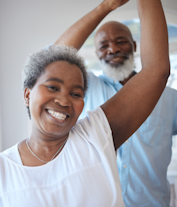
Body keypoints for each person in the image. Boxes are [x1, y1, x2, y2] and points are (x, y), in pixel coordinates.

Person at [0, 0, 170, 206]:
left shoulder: (95, 136)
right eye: (53, 87)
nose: (64, 100)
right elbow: (51, 58)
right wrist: (105, 6)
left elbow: (156, 71)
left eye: (76, 93)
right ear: (27, 95)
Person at [55, 0, 177, 206]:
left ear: (134, 45)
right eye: (103, 45)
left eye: (120, 41)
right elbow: (53, 59)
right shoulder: (86, 87)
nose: (112, 49)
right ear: (97, 54)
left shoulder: (169, 98)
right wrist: (106, 7)